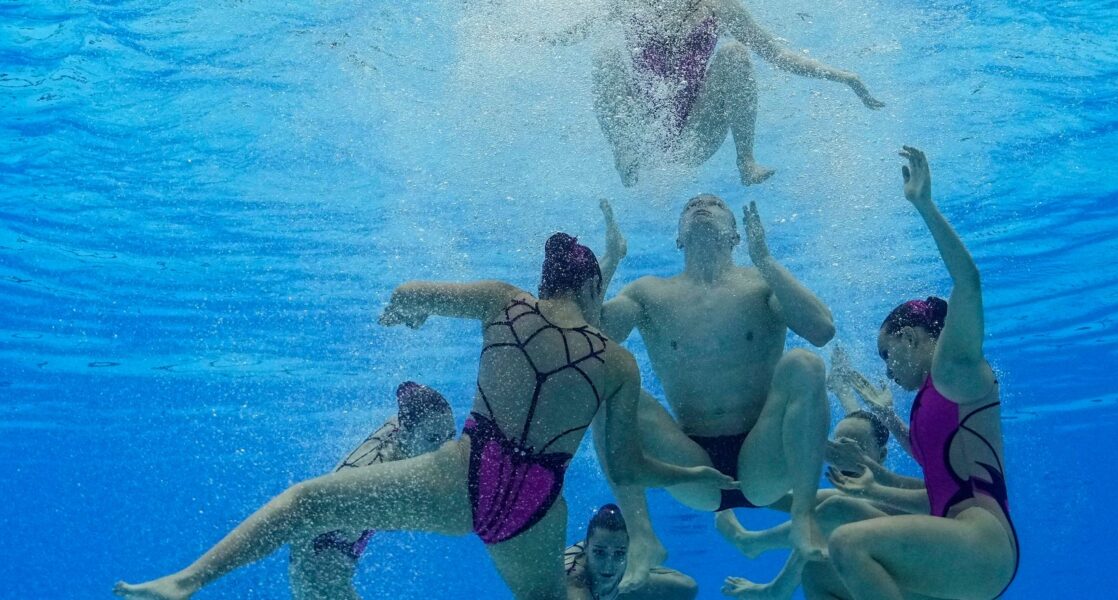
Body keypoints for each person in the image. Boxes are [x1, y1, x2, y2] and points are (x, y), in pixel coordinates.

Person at [114, 230, 734, 600]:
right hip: (536, 504)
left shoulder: (504, 303)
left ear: (545, 281)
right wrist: (690, 476)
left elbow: (410, 292)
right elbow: (625, 464)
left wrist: (405, 314)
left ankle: (187, 582)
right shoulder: (617, 363)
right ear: (595, 291)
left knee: (309, 503)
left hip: (464, 474)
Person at [596, 193, 834, 590]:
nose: (701, 206)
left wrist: (767, 261)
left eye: (715, 204)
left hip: (765, 459)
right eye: (689, 205)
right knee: (603, 379)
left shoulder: (761, 285)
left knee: (805, 364)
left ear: (736, 235)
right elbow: (584, 340)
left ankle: (803, 515)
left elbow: (821, 330)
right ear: (678, 238)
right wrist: (611, 258)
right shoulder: (648, 293)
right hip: (692, 467)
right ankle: (641, 537)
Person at [825, 146, 1019, 600]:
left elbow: (968, 281)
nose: (887, 370)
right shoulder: (934, 394)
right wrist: (888, 419)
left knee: (848, 544)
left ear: (912, 338)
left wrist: (924, 205)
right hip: (968, 550)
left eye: (887, 354)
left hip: (979, 543)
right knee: (827, 574)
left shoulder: (954, 368)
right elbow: (939, 472)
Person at [557, 0, 882, 186]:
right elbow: (571, 34)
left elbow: (776, 54)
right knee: (604, 55)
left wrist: (844, 77)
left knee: (736, 54)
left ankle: (746, 161)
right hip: (642, 129)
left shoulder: (719, 6)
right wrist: (514, 41)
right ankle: (624, 152)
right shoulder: (629, 4)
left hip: (699, 132)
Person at [716, 347, 918, 599]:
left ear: (883, 456)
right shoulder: (860, 471)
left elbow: (860, 441)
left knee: (834, 510)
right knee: (815, 558)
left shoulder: (893, 496)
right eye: (838, 449)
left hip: (916, 585)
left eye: (854, 451)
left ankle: (757, 551)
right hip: (871, 573)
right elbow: (855, 433)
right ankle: (750, 536)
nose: (845, 458)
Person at [290, 381, 456, 600]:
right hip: (319, 574)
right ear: (405, 434)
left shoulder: (403, 429)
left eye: (451, 437)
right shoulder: (375, 485)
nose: (445, 449)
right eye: (433, 439)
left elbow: (405, 390)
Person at [565, 504, 699, 600]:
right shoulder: (574, 584)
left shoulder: (626, 569)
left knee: (685, 589)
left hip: (617, 585)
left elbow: (688, 589)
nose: (608, 565)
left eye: (619, 553)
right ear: (586, 550)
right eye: (599, 553)